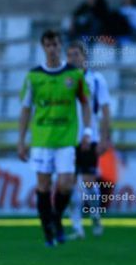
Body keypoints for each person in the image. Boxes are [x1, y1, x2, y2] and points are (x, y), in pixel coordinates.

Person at [17, 30, 92, 247]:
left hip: (66, 139)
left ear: (61, 47)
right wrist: (21, 140)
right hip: (41, 140)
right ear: (43, 47)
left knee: (66, 185)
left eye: (55, 45)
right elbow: (25, 109)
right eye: (48, 45)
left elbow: (86, 103)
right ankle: (47, 230)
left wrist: (87, 131)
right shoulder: (33, 76)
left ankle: (56, 219)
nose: (52, 49)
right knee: (44, 185)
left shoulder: (74, 75)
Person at [65, 41, 112, 239]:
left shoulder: (97, 79)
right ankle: (77, 227)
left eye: (76, 54)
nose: (73, 59)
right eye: (70, 55)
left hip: (89, 137)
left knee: (88, 184)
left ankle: (95, 214)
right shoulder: (64, 80)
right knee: (67, 184)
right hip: (66, 139)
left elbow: (105, 109)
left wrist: (104, 137)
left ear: (84, 57)